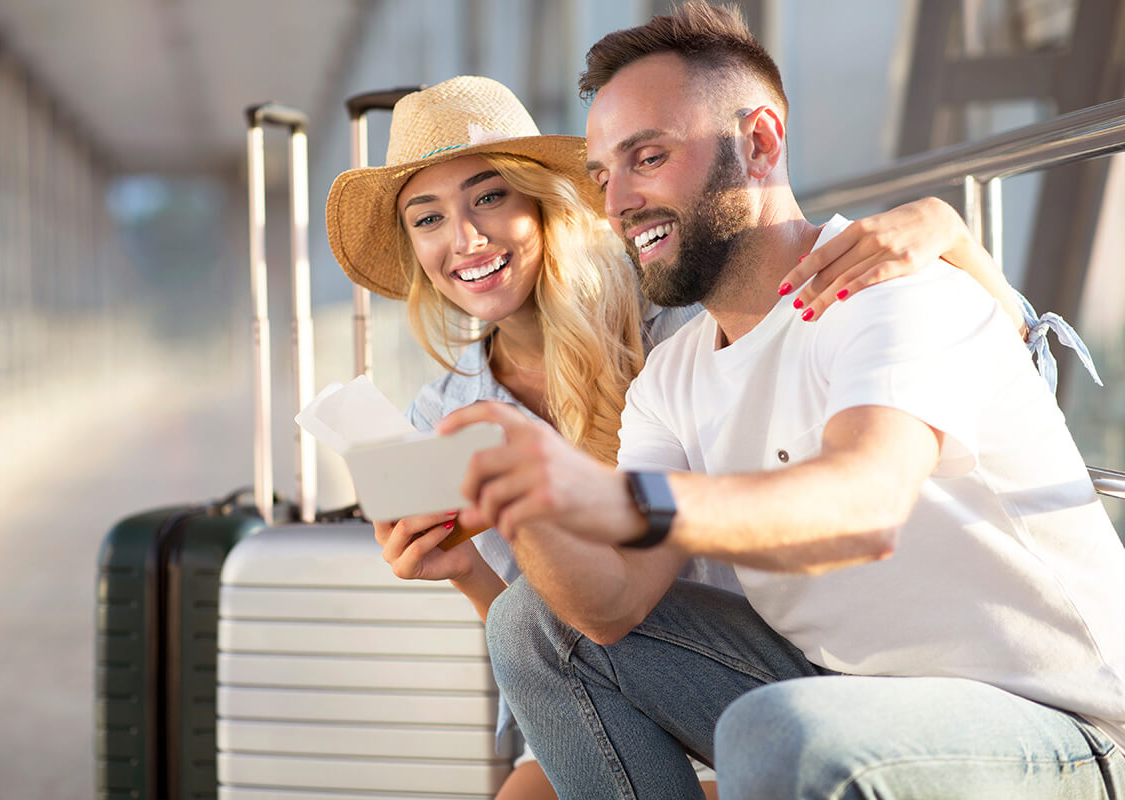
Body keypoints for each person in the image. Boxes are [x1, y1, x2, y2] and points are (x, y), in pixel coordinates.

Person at [435, 5, 1125, 799]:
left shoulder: (891, 292)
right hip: (843, 690)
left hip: (1058, 724)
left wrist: (607, 496)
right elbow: (611, 607)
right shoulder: (672, 378)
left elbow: (864, 508)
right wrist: (527, 508)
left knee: (779, 733)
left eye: (648, 156)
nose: (616, 201)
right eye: (601, 176)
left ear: (759, 141)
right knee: (530, 625)